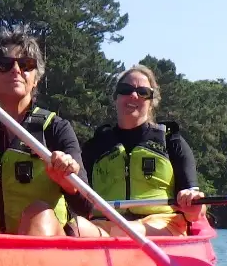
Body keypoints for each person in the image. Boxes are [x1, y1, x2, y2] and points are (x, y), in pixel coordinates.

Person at [0, 31, 84, 236]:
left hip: (44, 253)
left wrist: (66, 180)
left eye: (26, 65)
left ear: (36, 79)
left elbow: (86, 207)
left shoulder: (56, 128)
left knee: (38, 213)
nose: (16, 70)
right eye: (4, 64)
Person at [70, 64, 205, 237]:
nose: (133, 95)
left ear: (151, 102)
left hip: (161, 226)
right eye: (125, 89)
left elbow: (194, 212)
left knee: (128, 230)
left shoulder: (172, 141)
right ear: (116, 98)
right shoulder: (96, 145)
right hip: (106, 226)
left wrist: (191, 202)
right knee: (75, 228)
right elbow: (77, 200)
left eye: (143, 92)